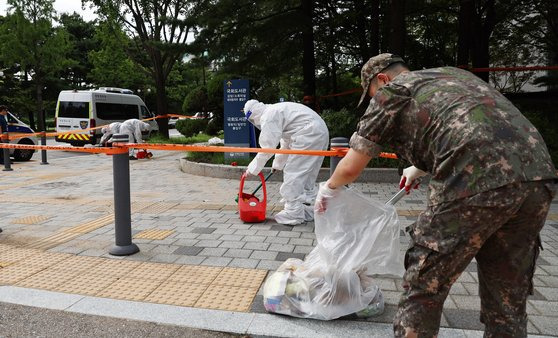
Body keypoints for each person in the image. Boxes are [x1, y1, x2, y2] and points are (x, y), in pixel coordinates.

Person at [315, 53, 558, 337]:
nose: (372, 99)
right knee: (507, 292)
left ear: (382, 79)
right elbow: (470, 125)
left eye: (370, 94)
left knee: (425, 282)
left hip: (473, 180)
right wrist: (418, 168)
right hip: (537, 178)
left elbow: (351, 167)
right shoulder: (454, 75)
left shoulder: (393, 91)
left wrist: (328, 189)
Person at [243, 99, 329, 225]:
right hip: (319, 132)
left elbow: (267, 148)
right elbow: (286, 145)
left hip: (308, 134)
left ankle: (293, 213)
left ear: (253, 115)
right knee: (307, 176)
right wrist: (277, 165)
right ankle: (309, 210)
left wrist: (252, 169)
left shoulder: (269, 116)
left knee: (293, 173)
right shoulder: (277, 110)